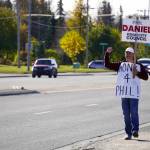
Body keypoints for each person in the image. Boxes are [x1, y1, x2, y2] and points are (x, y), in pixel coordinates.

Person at [104, 47, 148, 140]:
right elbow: (107, 65)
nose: (127, 54)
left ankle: (135, 130)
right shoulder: (121, 65)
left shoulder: (138, 65)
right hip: (124, 94)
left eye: (129, 53)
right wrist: (107, 53)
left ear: (133, 55)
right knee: (126, 115)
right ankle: (128, 133)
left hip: (134, 94)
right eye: (126, 53)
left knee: (134, 113)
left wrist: (137, 73)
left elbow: (146, 77)